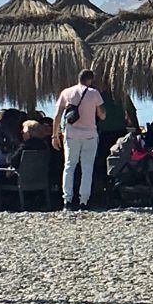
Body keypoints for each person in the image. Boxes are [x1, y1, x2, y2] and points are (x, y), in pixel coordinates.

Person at [52, 69, 106, 211]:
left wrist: (54, 135)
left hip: (71, 135)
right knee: (87, 168)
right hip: (89, 135)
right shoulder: (94, 93)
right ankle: (84, 201)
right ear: (90, 80)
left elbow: (57, 116)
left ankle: (67, 200)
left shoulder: (66, 92)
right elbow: (102, 115)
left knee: (69, 166)